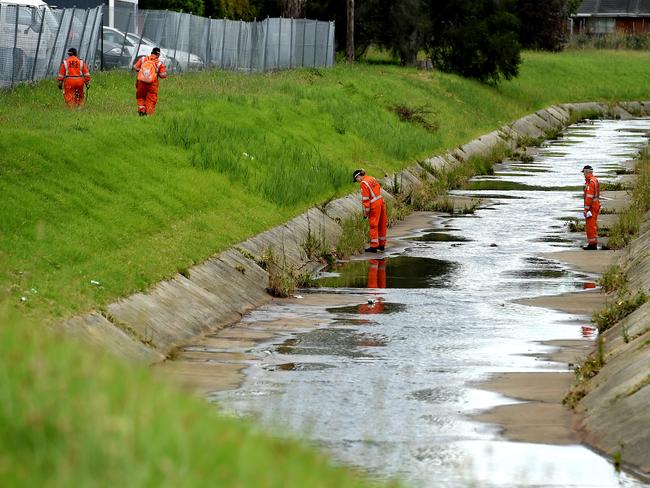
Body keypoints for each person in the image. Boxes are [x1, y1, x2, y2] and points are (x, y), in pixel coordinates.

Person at [353, 169, 387, 253]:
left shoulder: (363, 183)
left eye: (356, 179)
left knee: (373, 224)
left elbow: (366, 200)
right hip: (381, 201)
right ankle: (382, 245)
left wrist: (365, 213)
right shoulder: (372, 178)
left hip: (374, 204)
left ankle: (374, 246)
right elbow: (378, 187)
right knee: (382, 223)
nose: (357, 182)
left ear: (358, 176)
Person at [132, 47, 167, 116]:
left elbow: (135, 68)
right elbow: (163, 75)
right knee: (151, 99)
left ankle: (141, 111)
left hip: (141, 83)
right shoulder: (159, 63)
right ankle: (149, 115)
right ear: (158, 55)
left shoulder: (143, 59)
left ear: (151, 53)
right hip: (152, 84)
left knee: (140, 97)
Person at [582, 165, 600, 250]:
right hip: (594, 206)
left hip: (592, 207)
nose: (583, 175)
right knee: (592, 225)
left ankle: (592, 245)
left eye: (584, 173)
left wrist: (586, 209)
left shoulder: (590, 182)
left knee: (590, 226)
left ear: (587, 172)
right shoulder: (593, 180)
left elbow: (589, 197)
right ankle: (592, 243)